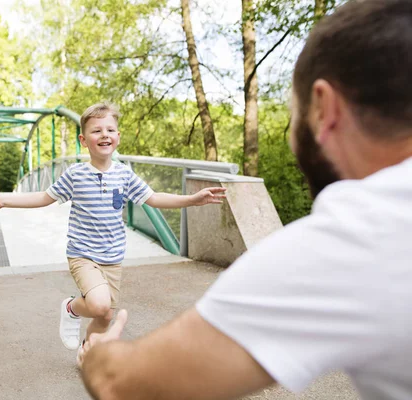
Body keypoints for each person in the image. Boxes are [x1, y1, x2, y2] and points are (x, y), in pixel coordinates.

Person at [79, 1, 412, 399]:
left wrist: (101, 354)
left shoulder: (356, 238)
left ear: (324, 109)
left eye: (296, 111)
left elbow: (121, 384)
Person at [0, 102, 227, 364]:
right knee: (98, 305)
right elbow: (44, 197)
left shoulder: (124, 174)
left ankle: (87, 350)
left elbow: (153, 198)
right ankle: (71, 307)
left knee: (105, 316)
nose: (104, 135)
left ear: (118, 137)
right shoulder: (75, 174)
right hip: (83, 255)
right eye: (96, 131)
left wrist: (192, 199)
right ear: (83, 140)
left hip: (112, 258)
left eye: (110, 129)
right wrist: (5, 200)